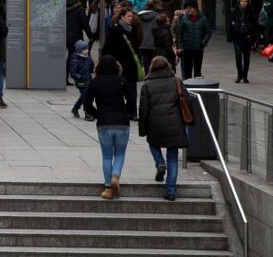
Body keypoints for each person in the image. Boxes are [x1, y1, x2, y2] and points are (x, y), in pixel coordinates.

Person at [138, 56, 190, 201]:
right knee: (173, 157)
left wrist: (142, 129)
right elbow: (187, 101)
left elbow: (143, 109)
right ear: (168, 66)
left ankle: (160, 163)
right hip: (175, 124)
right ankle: (170, 191)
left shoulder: (147, 85)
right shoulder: (176, 81)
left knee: (153, 144)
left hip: (156, 124)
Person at [83, 55, 133, 200]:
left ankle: (108, 188)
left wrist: (97, 114)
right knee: (120, 154)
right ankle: (115, 176)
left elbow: (86, 103)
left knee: (106, 156)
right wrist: (126, 112)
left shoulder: (95, 82)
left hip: (104, 123)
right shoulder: (121, 81)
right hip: (122, 123)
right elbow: (131, 99)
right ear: (116, 67)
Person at [102, 8, 143, 119]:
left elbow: (136, 48)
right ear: (122, 17)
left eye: (131, 16)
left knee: (132, 90)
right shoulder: (115, 30)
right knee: (118, 90)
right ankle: (120, 110)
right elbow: (107, 49)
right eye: (128, 16)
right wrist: (110, 63)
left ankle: (132, 112)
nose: (131, 18)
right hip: (119, 66)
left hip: (131, 65)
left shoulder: (133, 29)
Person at [173, 3, 212, 80]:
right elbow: (179, 34)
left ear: (195, 9)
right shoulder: (184, 19)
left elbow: (208, 32)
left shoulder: (203, 19)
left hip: (198, 47)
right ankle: (187, 84)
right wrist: (179, 46)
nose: (188, 10)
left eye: (190, 8)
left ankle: (197, 84)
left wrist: (203, 42)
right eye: (187, 8)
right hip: (187, 47)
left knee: (198, 70)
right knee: (187, 70)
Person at [228, 0, 260, 84]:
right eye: (242, 1)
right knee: (238, 56)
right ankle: (239, 74)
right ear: (239, 2)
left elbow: (255, 25)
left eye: (245, 1)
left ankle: (245, 75)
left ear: (247, 3)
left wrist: (254, 37)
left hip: (247, 37)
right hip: (237, 37)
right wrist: (229, 36)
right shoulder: (234, 11)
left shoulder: (251, 12)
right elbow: (230, 24)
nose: (243, 3)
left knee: (246, 57)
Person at [69, 40, 94, 120]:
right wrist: (78, 76)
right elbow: (73, 72)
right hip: (80, 81)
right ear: (80, 50)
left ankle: (75, 108)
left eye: (87, 49)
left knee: (84, 95)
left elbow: (91, 67)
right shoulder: (75, 59)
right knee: (85, 95)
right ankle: (87, 112)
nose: (87, 51)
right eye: (84, 49)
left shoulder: (88, 58)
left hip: (88, 80)